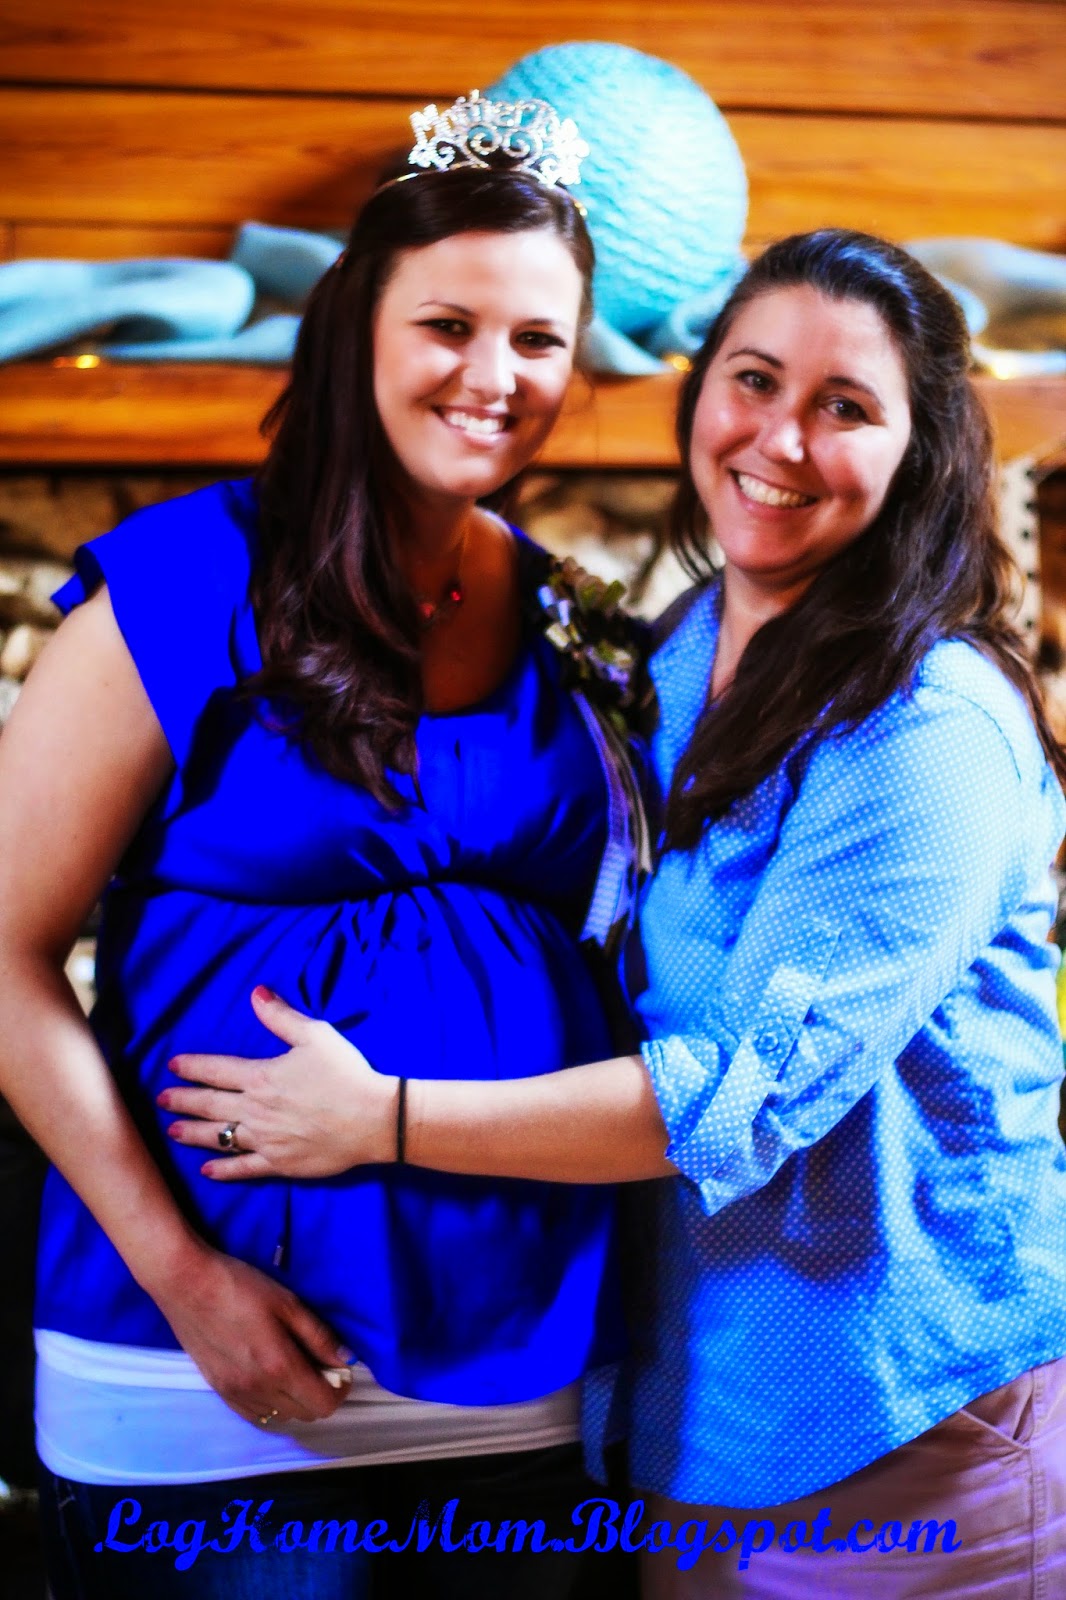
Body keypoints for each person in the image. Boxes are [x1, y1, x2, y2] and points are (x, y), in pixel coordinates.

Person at [169, 229, 1066, 1597]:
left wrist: (379, 1117)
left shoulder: (928, 727)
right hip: (686, 1413)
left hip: (896, 1416)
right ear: (699, 391)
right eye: (754, 380)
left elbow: (741, 1095)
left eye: (844, 406)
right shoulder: (690, 642)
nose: (778, 439)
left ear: (921, 452)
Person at [0, 93, 647, 1599]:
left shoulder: (564, 613)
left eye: (538, 340)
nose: (493, 376)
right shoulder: (177, 587)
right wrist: (187, 1280)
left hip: (526, 1374)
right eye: (448, 325)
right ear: (357, 327)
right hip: (213, 1368)